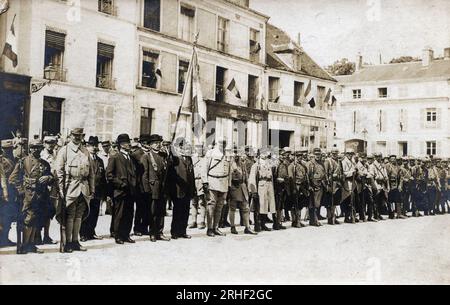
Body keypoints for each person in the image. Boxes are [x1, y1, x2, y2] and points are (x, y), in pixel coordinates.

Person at [9, 139, 54, 254]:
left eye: (38, 147)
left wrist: (48, 178)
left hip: (41, 195)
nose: (36, 149)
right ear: (30, 148)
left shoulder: (45, 163)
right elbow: (12, 179)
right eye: (34, 147)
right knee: (28, 220)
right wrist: (21, 190)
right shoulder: (23, 161)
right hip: (28, 196)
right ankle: (24, 245)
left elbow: (51, 177)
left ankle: (31, 244)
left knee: (37, 219)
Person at [55, 128, 95, 253]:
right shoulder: (64, 150)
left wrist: (92, 189)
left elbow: (91, 173)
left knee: (79, 216)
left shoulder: (85, 151)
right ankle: (68, 243)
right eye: (75, 135)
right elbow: (59, 172)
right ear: (71, 135)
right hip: (70, 187)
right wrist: (61, 189)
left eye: (80, 135)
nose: (78, 137)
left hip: (83, 187)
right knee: (70, 216)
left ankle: (75, 241)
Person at [106, 134, 137, 245]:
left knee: (129, 214)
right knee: (119, 214)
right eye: (126, 143)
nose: (129, 144)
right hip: (120, 191)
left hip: (130, 191)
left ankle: (126, 235)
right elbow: (109, 175)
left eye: (129, 142)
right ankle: (118, 235)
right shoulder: (115, 157)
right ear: (121, 145)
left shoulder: (131, 157)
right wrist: (120, 184)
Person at [141, 134, 170, 242]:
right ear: (150, 145)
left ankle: (160, 232)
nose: (158, 145)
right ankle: (152, 232)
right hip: (153, 188)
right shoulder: (147, 156)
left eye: (159, 143)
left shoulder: (163, 156)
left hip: (162, 188)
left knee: (161, 211)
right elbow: (144, 175)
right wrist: (147, 189)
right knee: (152, 212)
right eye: (155, 143)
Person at [201, 138, 230, 237]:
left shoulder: (227, 154)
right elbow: (204, 167)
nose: (223, 144)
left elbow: (229, 170)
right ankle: (209, 228)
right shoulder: (211, 153)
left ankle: (216, 227)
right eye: (221, 143)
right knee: (211, 205)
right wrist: (205, 181)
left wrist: (228, 185)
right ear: (217, 143)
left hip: (224, 183)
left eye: (225, 143)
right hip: (212, 182)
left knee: (220, 206)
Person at [80, 136, 107, 241]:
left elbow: (102, 176)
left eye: (96, 145)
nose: (94, 148)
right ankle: (83, 233)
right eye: (92, 145)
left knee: (95, 213)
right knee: (85, 212)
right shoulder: (84, 158)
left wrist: (104, 192)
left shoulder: (100, 160)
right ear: (87, 146)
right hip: (87, 190)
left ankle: (91, 232)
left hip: (98, 190)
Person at [169, 138, 196, 239]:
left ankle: (182, 231)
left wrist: (193, 189)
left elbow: (191, 175)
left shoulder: (189, 159)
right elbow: (172, 175)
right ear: (180, 147)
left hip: (188, 190)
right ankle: (175, 232)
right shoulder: (175, 159)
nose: (187, 148)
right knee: (177, 211)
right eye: (185, 146)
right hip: (178, 190)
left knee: (185, 212)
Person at [228, 148, 256, 235]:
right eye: (235, 153)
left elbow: (246, 176)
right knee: (232, 208)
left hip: (243, 188)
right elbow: (228, 177)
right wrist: (229, 189)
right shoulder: (229, 164)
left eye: (238, 154)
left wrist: (248, 188)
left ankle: (247, 227)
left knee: (246, 208)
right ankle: (232, 227)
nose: (236, 155)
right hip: (234, 188)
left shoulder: (243, 164)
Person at [249, 148, 276, 231]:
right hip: (261, 185)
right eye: (263, 153)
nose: (265, 154)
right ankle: (257, 224)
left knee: (267, 205)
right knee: (259, 205)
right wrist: (253, 191)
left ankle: (263, 224)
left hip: (269, 185)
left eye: (265, 153)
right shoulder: (256, 165)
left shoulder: (268, 164)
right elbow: (252, 178)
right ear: (259, 154)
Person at [37, 136, 59, 245]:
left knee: (50, 212)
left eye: (52, 143)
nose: (50, 145)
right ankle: (37, 236)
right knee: (40, 211)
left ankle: (46, 235)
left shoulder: (57, 154)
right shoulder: (41, 155)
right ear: (44, 143)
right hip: (42, 188)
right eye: (48, 143)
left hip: (53, 186)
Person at [131, 135, 150, 236]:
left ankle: (145, 227)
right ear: (142, 143)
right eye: (146, 143)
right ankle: (137, 228)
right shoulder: (136, 154)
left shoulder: (150, 153)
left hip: (149, 185)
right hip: (140, 185)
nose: (147, 145)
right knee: (140, 208)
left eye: (148, 143)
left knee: (148, 208)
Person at [288, 150, 309, 228]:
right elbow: (291, 178)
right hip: (295, 186)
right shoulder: (292, 166)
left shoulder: (303, 165)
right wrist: (293, 188)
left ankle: (298, 220)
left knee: (300, 205)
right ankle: (295, 221)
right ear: (295, 157)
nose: (299, 158)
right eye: (298, 156)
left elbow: (305, 176)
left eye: (301, 156)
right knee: (294, 205)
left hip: (302, 187)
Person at [190, 144, 206, 230]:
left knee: (202, 202)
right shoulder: (193, 159)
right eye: (198, 148)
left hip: (202, 181)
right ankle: (193, 221)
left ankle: (202, 221)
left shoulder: (206, 159)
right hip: (194, 181)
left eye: (201, 148)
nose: (200, 150)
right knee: (193, 202)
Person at [368, 153, 389, 221]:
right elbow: (371, 175)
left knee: (381, 200)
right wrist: (378, 178)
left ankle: (379, 214)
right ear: (375, 157)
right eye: (377, 156)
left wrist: (385, 178)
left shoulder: (382, 165)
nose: (378, 158)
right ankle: (375, 215)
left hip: (382, 184)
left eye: (380, 156)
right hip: (376, 184)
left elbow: (385, 174)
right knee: (375, 200)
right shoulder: (372, 166)